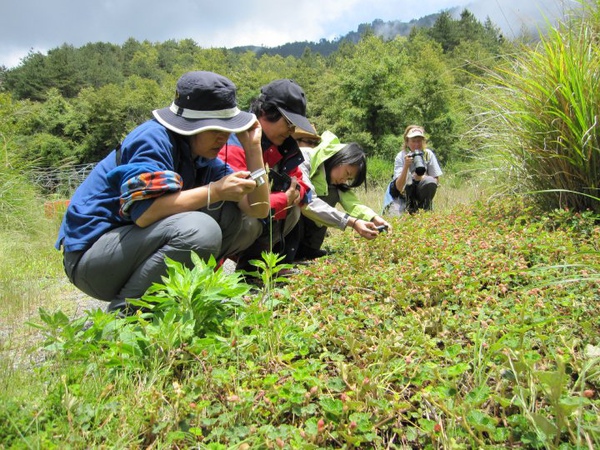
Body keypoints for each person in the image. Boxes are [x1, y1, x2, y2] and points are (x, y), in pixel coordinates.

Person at [55, 71, 270, 314]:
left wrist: (253, 150)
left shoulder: (201, 157)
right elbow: (145, 213)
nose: (223, 136)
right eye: (214, 128)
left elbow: (258, 209)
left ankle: (178, 301)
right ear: (189, 125)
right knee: (200, 228)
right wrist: (215, 191)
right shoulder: (153, 139)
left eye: (227, 127)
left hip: (128, 248)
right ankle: (125, 316)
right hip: (90, 260)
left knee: (237, 218)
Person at [218, 79, 315, 272]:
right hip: (230, 219)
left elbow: (302, 185)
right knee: (254, 221)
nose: (291, 131)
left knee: (292, 211)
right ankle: (213, 271)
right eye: (288, 122)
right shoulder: (234, 143)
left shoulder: (283, 148)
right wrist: (283, 198)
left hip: (258, 210)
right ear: (265, 112)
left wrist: (296, 194)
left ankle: (254, 269)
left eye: (294, 125)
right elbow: (242, 202)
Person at [284, 130, 391, 261]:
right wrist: (352, 222)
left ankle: (308, 250)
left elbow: (353, 204)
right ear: (340, 159)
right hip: (286, 228)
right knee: (297, 200)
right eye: (346, 173)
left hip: (308, 239)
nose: (344, 180)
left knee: (332, 193)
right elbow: (308, 202)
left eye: (349, 178)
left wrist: (374, 218)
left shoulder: (335, 183)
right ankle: (286, 255)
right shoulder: (304, 158)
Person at [383, 125, 442, 215]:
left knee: (430, 181)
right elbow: (398, 187)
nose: (416, 144)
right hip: (402, 195)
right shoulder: (401, 156)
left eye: (419, 141)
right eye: (413, 141)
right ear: (407, 142)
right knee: (395, 217)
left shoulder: (428, 154)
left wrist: (422, 177)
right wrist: (406, 167)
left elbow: (436, 181)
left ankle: (424, 209)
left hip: (421, 192)